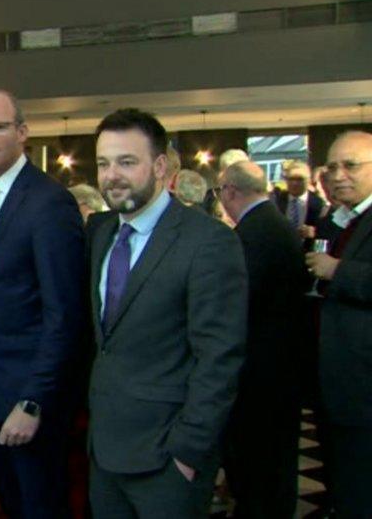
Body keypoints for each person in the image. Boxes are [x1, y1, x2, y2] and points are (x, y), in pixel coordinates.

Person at [87, 108, 246, 518]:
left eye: (126, 161)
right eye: (103, 163)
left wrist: (187, 452)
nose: (111, 175)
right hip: (104, 451)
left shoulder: (207, 241)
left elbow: (220, 358)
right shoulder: (101, 233)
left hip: (167, 459)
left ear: (160, 166)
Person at [0, 87, 86, 517]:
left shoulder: (50, 202)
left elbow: (65, 315)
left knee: (40, 506)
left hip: (30, 401)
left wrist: (34, 400)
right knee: (12, 504)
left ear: (22, 132)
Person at [216, 161, 309, 518]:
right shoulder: (274, 224)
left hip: (263, 367)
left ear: (230, 191)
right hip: (280, 362)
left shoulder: (255, 232)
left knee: (261, 462)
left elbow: (240, 299)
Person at [305, 130, 372, 518]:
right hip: (335, 382)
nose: (338, 174)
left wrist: (339, 272)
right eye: (332, 166)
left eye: (351, 165)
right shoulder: (337, 220)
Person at [273, 159, 326, 242]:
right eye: (291, 179)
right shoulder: (276, 201)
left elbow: (325, 232)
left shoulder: (319, 204)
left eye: (299, 179)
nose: (295, 183)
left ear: (308, 180)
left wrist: (314, 232)